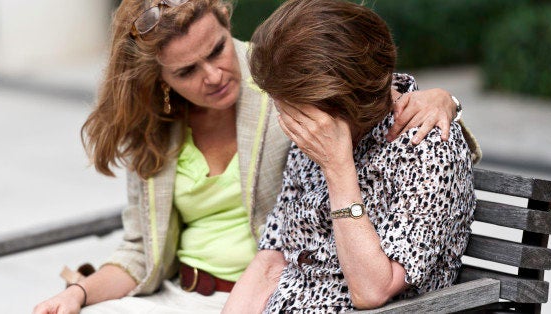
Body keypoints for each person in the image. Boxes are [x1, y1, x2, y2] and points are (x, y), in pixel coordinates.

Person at [32, 0, 474, 313]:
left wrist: (444, 100)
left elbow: (365, 78)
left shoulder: (292, 88)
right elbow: (270, 253)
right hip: (207, 294)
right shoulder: (165, 126)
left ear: (227, 23)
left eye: (218, 50)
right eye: (186, 71)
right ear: (162, 79)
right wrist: (82, 292)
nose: (215, 75)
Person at [223, 0, 476, 312]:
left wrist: (338, 168)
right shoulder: (312, 136)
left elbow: (373, 290)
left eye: (292, 109)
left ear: (345, 109)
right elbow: (274, 255)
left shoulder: (427, 148)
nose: (286, 121)